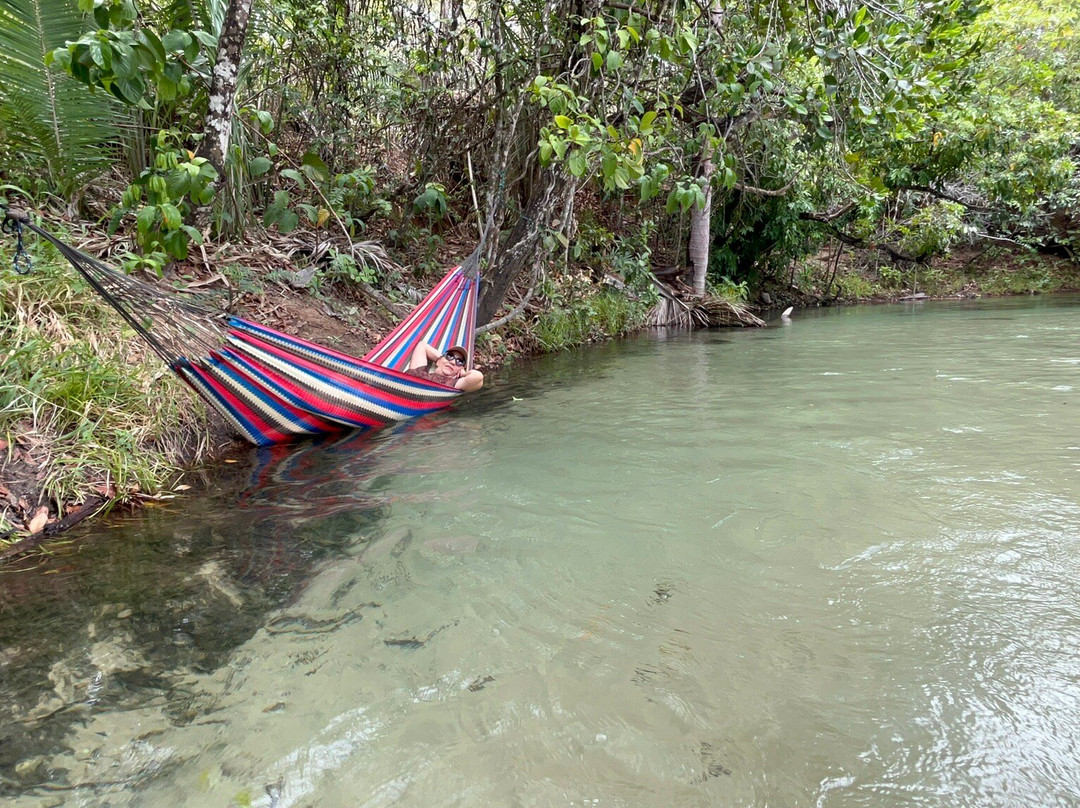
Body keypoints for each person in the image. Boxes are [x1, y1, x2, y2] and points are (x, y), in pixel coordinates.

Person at [406, 342, 484, 392]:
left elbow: (478, 377)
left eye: (459, 362)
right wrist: (441, 360)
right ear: (438, 361)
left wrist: (463, 374)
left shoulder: (452, 384)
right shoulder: (419, 372)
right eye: (450, 356)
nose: (453, 362)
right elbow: (422, 346)